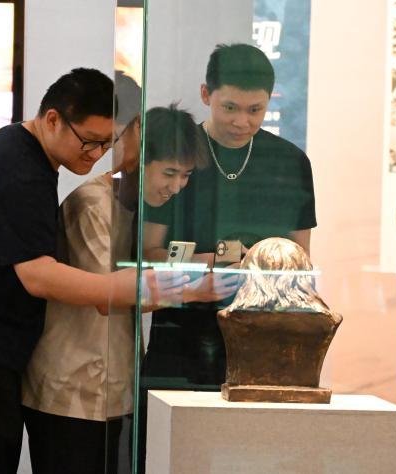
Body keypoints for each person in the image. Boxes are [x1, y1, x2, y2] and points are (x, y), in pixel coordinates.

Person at [0, 68, 181, 474]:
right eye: (89, 141)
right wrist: (118, 288)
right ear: (53, 119)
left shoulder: (27, 153)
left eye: (107, 142)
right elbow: (38, 275)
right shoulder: (20, 169)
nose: (96, 154)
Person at [138, 43, 316, 471]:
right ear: (206, 94)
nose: (242, 122)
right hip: (179, 333)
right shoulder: (177, 157)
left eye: (255, 110)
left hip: (263, 340)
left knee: (253, 457)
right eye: (230, 108)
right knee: (170, 455)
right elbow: (148, 252)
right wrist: (215, 265)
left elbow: (301, 261)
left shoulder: (291, 163)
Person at [22, 77, 208, 473]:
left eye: (186, 175)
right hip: (71, 391)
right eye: (170, 172)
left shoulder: (134, 208)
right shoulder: (93, 203)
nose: (177, 186)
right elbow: (108, 297)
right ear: (138, 152)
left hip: (113, 390)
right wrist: (197, 287)